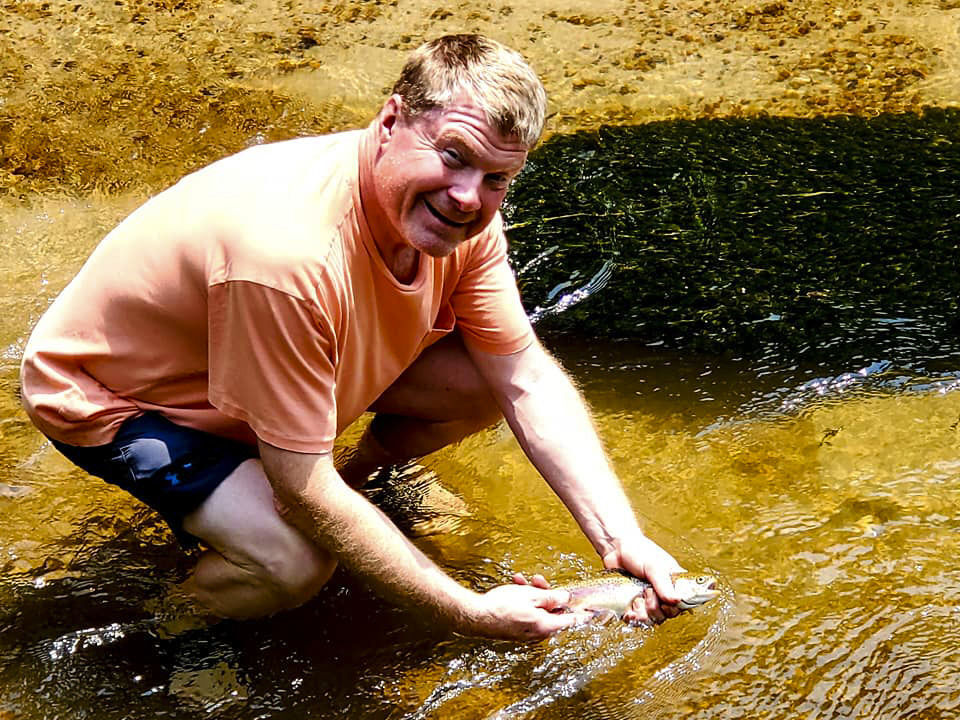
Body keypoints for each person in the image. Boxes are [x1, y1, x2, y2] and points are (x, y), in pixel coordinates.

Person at [19, 34, 685, 640]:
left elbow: (524, 376)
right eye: (453, 157)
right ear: (391, 121)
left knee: (479, 382)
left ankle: (361, 482)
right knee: (294, 561)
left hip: (260, 353)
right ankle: (171, 627)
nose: (467, 197)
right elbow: (301, 486)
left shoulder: (459, 221)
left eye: (495, 179)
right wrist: (467, 612)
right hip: (121, 397)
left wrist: (620, 539)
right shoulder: (288, 256)